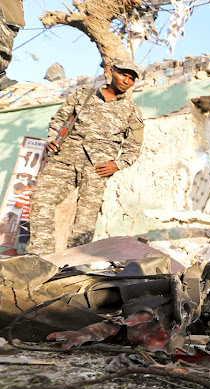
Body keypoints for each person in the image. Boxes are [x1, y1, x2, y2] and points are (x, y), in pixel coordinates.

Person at [27, 59, 144, 255]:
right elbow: (59, 119)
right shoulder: (83, 95)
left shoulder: (131, 111)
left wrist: (117, 164)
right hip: (65, 158)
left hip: (97, 169)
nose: (126, 81)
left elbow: (135, 146)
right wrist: (52, 139)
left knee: (85, 219)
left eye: (131, 79)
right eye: (123, 74)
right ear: (111, 71)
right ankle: (41, 256)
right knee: (41, 200)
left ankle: (73, 264)